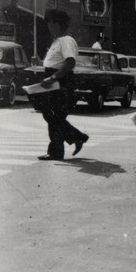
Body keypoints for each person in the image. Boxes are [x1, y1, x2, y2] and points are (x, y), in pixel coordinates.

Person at [31, 9, 89, 160]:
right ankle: (74, 140)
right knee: (52, 116)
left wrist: (53, 77)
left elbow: (70, 62)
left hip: (60, 83)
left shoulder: (66, 41)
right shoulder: (57, 41)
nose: (49, 26)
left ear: (58, 24)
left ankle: (63, 147)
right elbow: (55, 62)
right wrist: (40, 63)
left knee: (55, 117)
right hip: (53, 83)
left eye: (51, 23)